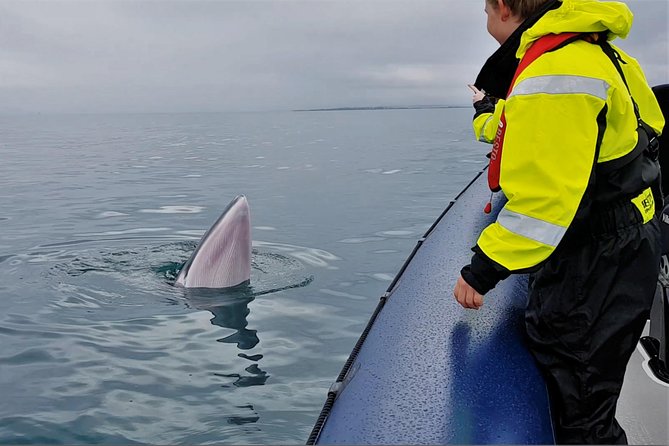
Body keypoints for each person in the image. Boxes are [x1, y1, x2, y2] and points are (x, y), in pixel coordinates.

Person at [452, 0, 666, 444]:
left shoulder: (552, 72)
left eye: (486, 11)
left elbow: (543, 202)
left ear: (506, 8)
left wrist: (482, 269)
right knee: (591, 393)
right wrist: (487, 113)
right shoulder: (600, 51)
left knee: (582, 410)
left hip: (597, 261)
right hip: (630, 242)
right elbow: (644, 130)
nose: (486, 21)